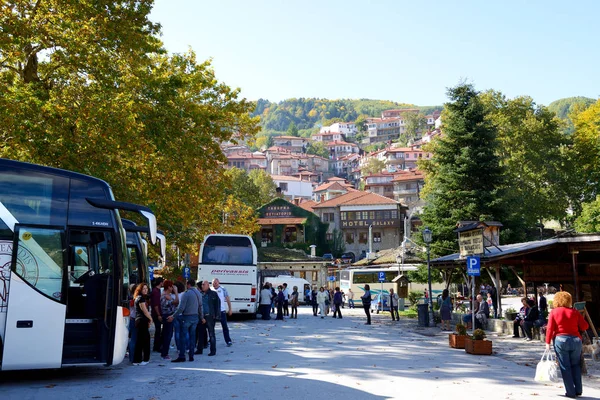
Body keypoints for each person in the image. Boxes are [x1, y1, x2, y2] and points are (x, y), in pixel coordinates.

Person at [545, 291, 589, 399]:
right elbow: (585, 326)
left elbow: (550, 328)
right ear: (569, 300)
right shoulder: (574, 312)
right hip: (576, 341)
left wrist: (547, 343)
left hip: (560, 340)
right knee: (576, 365)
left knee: (565, 366)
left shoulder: (554, 312)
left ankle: (570, 392)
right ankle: (578, 390)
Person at [167, 279, 202, 363]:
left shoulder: (186, 294)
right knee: (192, 337)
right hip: (195, 317)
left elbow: (181, 308)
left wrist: (173, 316)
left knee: (183, 336)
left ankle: (182, 355)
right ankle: (191, 355)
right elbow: (201, 307)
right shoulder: (198, 293)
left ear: (188, 284)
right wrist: (202, 317)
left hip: (187, 317)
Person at [133, 283, 153, 366]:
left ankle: (137, 360)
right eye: (144, 289)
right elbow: (145, 311)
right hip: (142, 321)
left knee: (139, 341)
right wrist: (151, 319)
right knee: (145, 341)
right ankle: (145, 359)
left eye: (146, 288)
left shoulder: (138, 298)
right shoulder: (141, 299)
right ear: (140, 290)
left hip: (139, 320)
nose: (146, 290)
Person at [199, 280, 220, 356]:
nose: (202, 286)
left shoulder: (213, 294)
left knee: (211, 334)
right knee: (200, 333)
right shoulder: (200, 294)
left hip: (210, 316)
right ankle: (199, 349)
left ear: (208, 285)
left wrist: (216, 315)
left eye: (204, 284)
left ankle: (213, 350)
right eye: (202, 284)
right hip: (202, 316)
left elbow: (217, 305)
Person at [160, 280, 179, 360]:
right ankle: (165, 353)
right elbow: (176, 302)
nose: (172, 288)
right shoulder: (166, 296)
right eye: (171, 286)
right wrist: (176, 292)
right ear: (168, 287)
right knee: (167, 335)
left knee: (167, 334)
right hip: (168, 315)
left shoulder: (166, 295)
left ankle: (163, 351)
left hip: (167, 315)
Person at [212, 278, 233, 347]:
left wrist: (230, 309)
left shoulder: (223, 289)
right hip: (213, 312)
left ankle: (228, 340)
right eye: (213, 283)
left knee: (225, 327)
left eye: (216, 283)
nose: (214, 284)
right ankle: (211, 340)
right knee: (211, 327)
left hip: (221, 311)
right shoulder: (210, 290)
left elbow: (227, 299)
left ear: (218, 283)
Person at [150, 277, 164, 353]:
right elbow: (156, 304)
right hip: (156, 313)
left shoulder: (157, 290)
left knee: (158, 330)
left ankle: (157, 345)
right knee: (158, 330)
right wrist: (159, 314)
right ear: (160, 283)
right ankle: (157, 346)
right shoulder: (156, 291)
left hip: (156, 312)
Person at [172, 281, 186, 353]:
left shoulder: (172, 295)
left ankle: (179, 348)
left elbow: (176, 303)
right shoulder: (184, 294)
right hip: (182, 315)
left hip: (175, 315)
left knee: (177, 332)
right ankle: (186, 347)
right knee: (184, 332)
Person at [128, 284, 138, 363]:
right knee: (135, 339)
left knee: (133, 339)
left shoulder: (130, 298)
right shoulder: (136, 299)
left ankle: (132, 357)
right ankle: (134, 358)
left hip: (132, 318)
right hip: (135, 319)